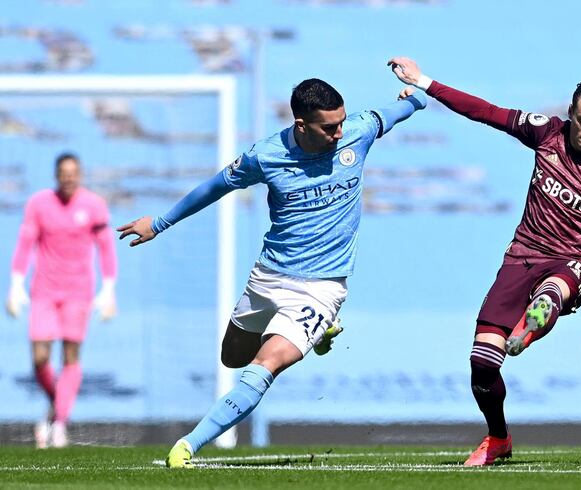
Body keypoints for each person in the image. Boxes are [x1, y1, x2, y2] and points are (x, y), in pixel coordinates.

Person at [117, 78, 426, 468]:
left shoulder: (358, 134)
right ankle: (321, 331)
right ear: (301, 124)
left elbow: (398, 111)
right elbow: (214, 188)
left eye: (342, 123)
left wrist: (414, 95)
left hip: (321, 288)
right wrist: (159, 223)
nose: (339, 133)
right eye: (329, 127)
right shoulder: (265, 155)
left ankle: (187, 446)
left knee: (264, 365)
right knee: (233, 357)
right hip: (270, 276)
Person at [388, 57, 581, 466]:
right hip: (522, 256)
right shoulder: (546, 133)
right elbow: (485, 111)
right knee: (481, 363)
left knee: (552, 292)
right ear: (570, 112)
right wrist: (424, 81)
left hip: (573, 263)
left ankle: (529, 329)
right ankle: (498, 438)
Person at [6, 152, 118, 448]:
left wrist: (108, 289)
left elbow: (106, 248)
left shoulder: (93, 206)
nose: (69, 177)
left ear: (79, 175)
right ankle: (59, 406)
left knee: (70, 356)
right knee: (40, 358)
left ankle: (59, 424)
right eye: (63, 173)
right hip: (43, 291)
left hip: (78, 292)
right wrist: (16, 285)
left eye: (74, 172)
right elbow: (25, 243)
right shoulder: (39, 204)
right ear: (56, 175)